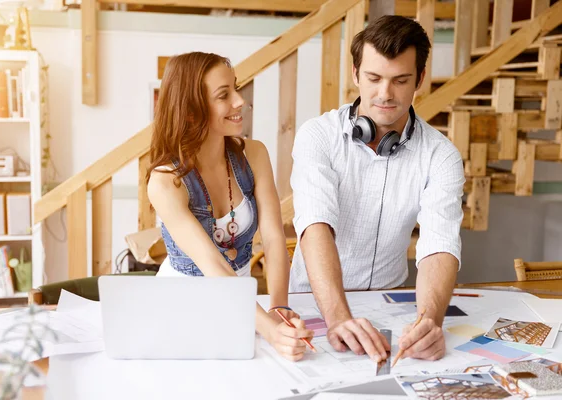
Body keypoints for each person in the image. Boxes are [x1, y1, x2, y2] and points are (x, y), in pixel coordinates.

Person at [289, 16, 464, 364]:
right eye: (373, 78)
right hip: (314, 302)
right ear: (355, 74)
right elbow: (315, 225)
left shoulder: (442, 156)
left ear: (420, 79)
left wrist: (430, 320)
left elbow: (440, 244)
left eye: (401, 80)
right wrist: (338, 317)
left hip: (392, 302)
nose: (385, 94)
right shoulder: (317, 136)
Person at [146, 51, 313, 362]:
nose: (240, 101)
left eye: (236, 88)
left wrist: (279, 308)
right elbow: (214, 266)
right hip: (179, 306)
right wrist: (271, 331)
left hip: (239, 303)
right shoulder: (165, 182)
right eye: (224, 95)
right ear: (192, 111)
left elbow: (275, 239)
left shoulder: (255, 154)